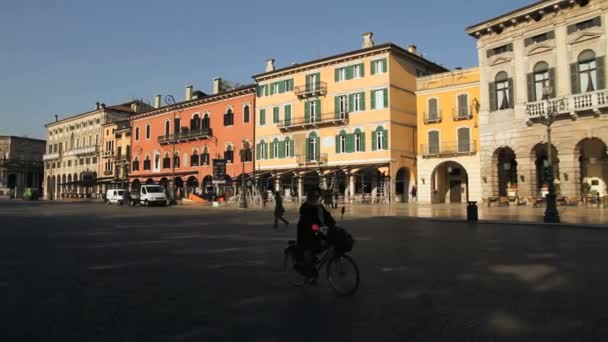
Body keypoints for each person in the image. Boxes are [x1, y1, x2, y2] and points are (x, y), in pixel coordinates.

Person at [296, 187, 336, 281]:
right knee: (310, 249)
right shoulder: (305, 207)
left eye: (318, 196)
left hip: (318, 231)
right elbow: (310, 224)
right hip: (306, 233)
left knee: (326, 243)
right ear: (310, 197)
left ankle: (313, 267)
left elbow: (328, 217)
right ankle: (309, 270)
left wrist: (332, 224)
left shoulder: (319, 206)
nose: (316, 198)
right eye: (314, 196)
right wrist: (321, 231)